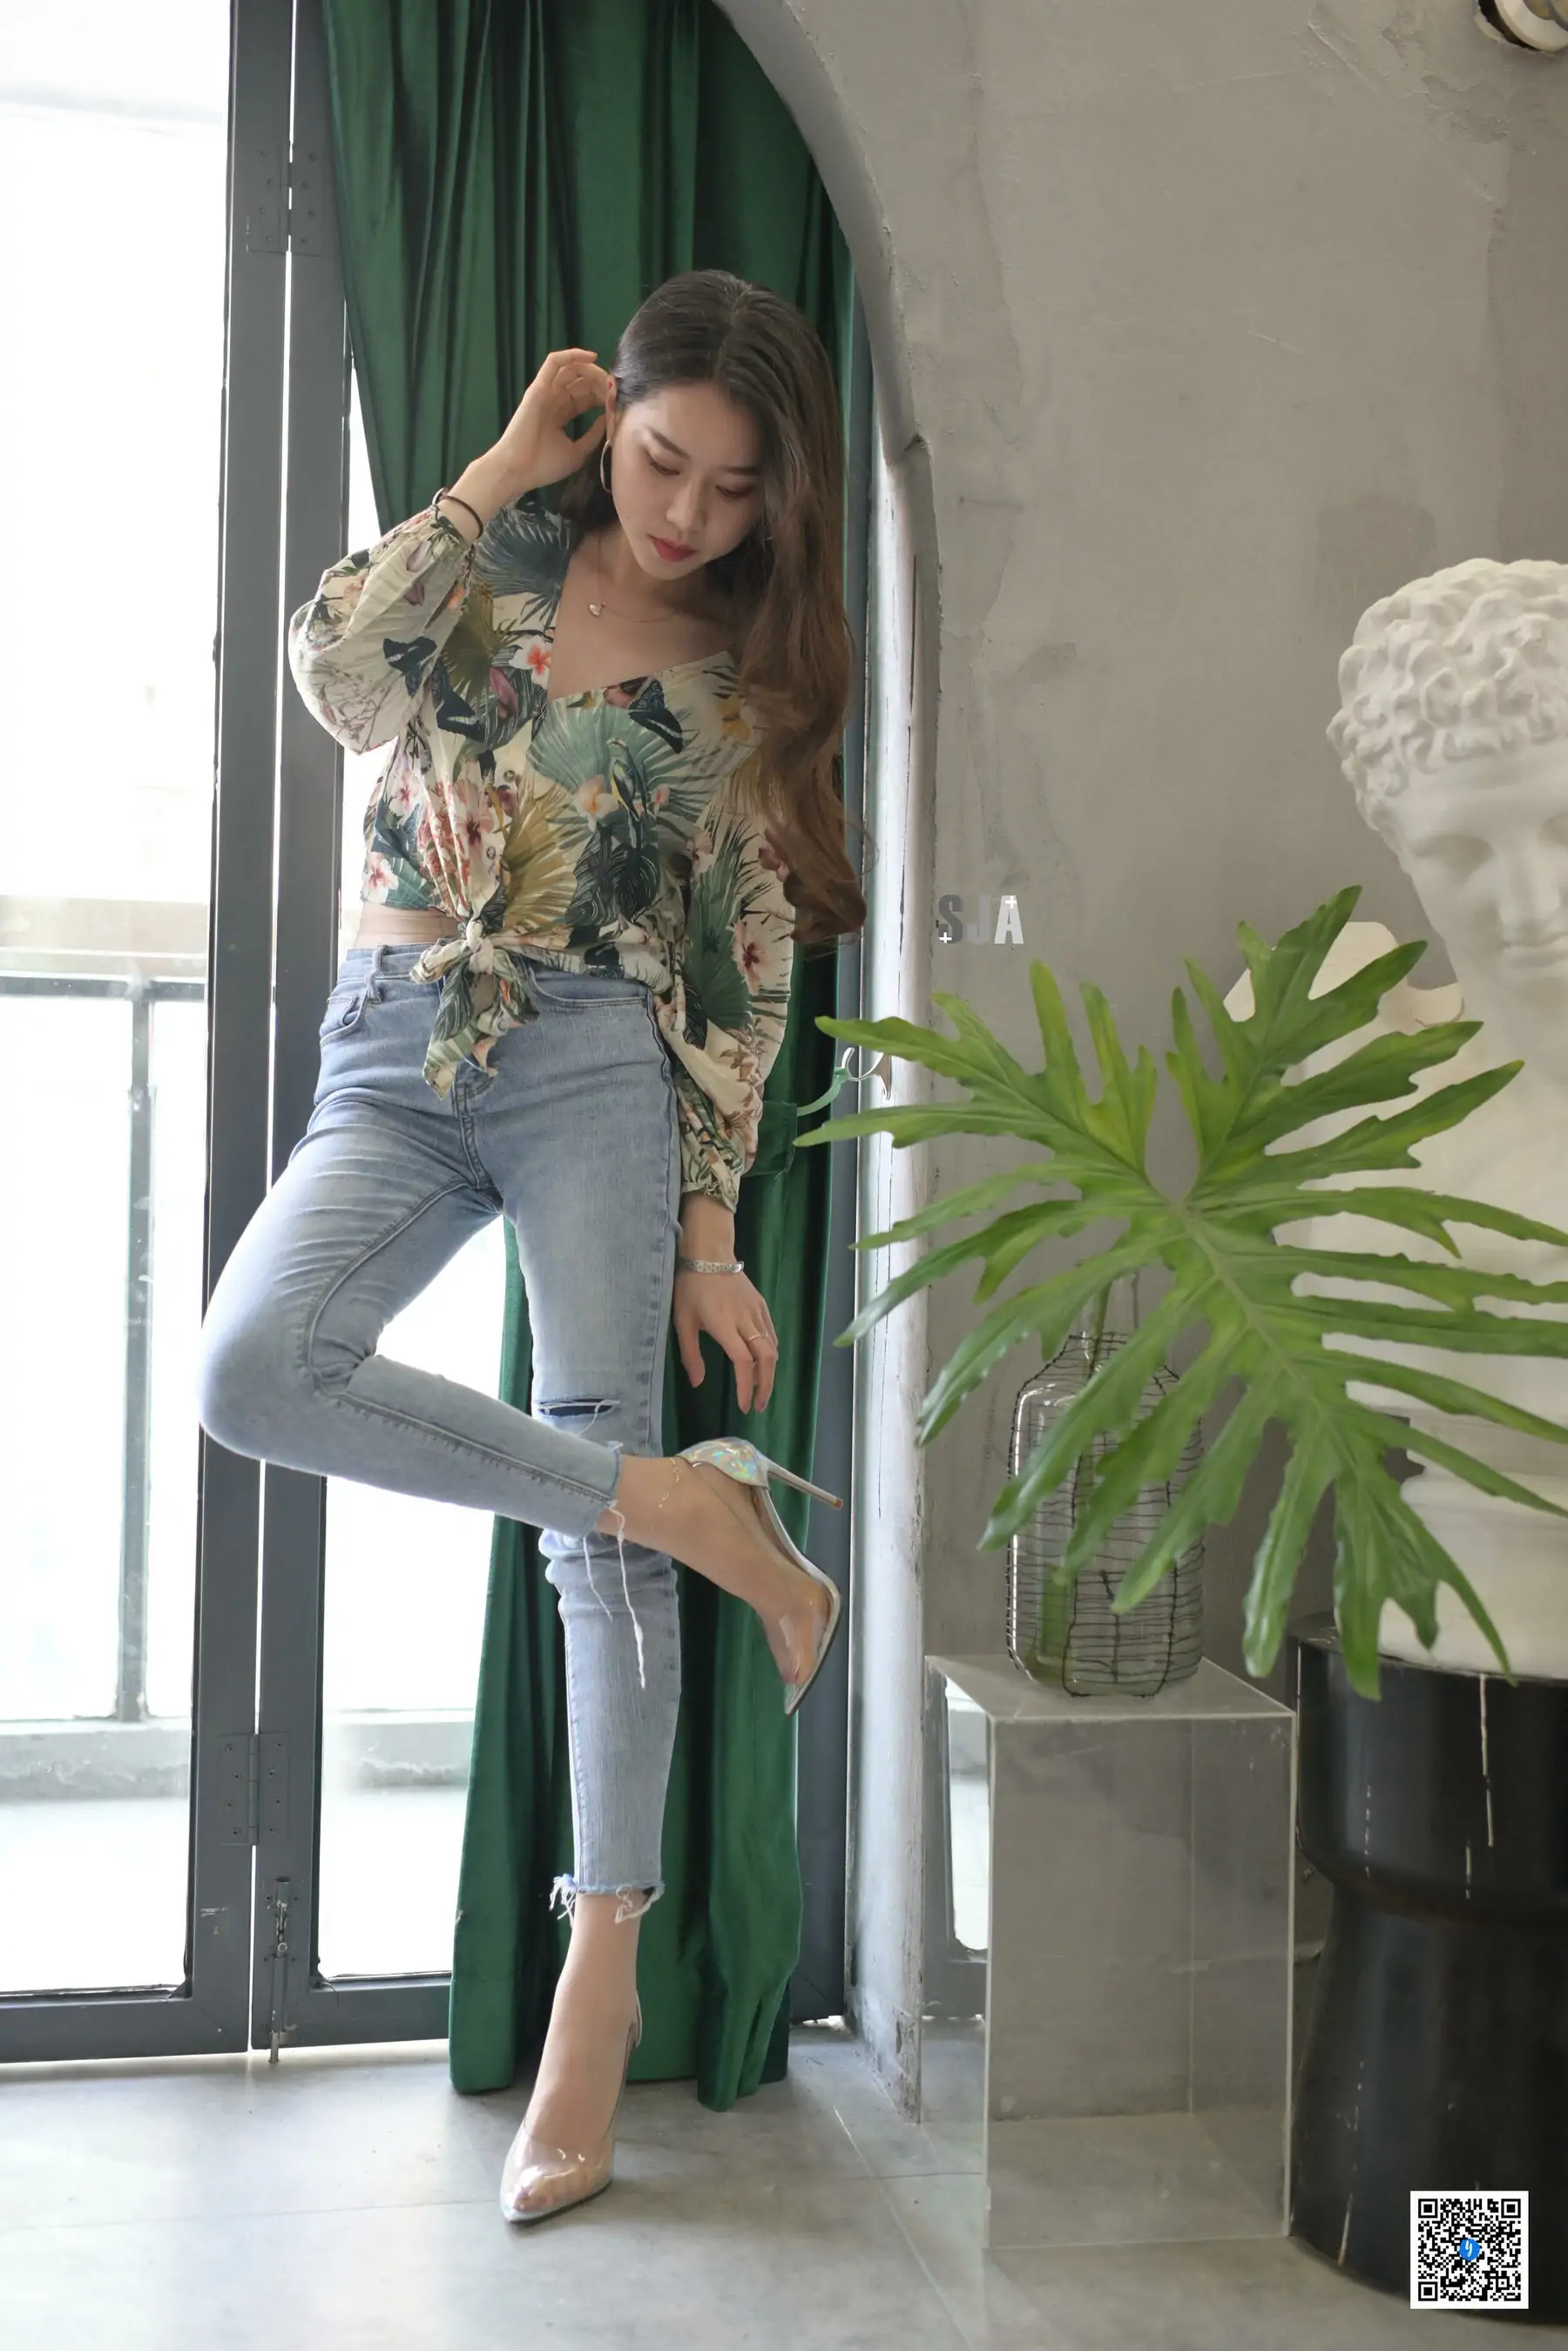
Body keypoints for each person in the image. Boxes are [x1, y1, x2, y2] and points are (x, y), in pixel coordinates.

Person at [194, 268, 868, 2222]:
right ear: (606, 422)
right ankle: (691, 1501)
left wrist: (713, 1226)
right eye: (660, 462)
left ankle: (599, 1981)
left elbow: (743, 964)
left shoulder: (751, 682)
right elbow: (337, 677)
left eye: (735, 489)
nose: (688, 515)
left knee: (597, 1548)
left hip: (594, 1067)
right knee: (255, 1366)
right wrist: (499, 466)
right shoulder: (483, 572)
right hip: (393, 1049)